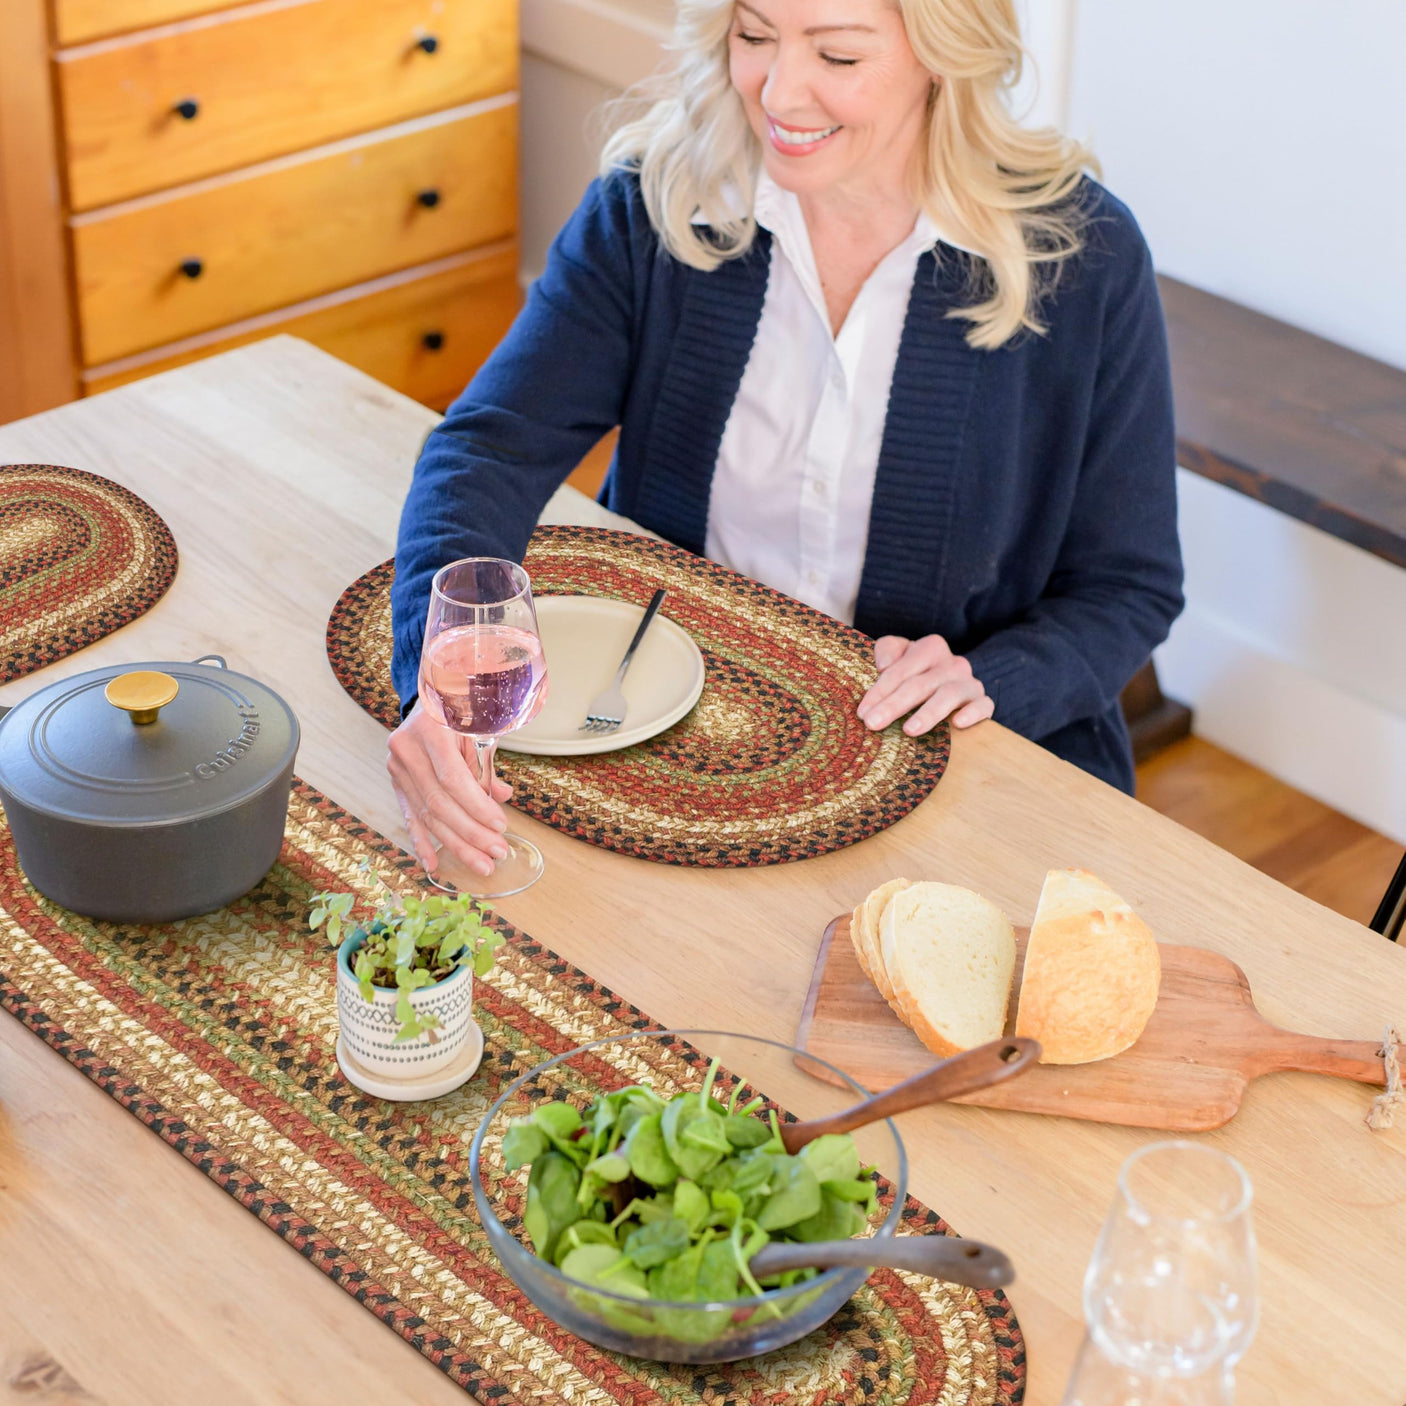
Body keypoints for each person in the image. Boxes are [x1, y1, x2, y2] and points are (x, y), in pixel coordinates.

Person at [388, 0, 1183, 882]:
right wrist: (445, 662)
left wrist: (993, 679)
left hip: (955, 777)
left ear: (941, 56)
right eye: (755, 36)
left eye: (837, 55)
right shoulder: (656, 204)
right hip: (663, 747)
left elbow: (1128, 587)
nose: (779, 91)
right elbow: (489, 448)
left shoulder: (1084, 258)